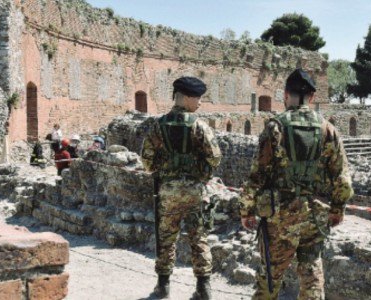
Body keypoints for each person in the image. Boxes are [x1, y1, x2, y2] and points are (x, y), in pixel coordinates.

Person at [240, 69, 354, 299]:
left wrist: (246, 209)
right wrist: (337, 209)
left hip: (279, 216)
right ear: (311, 97)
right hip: (314, 215)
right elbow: (342, 179)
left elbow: (257, 175)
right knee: (312, 276)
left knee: (269, 277)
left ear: (285, 95)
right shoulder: (327, 130)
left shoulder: (275, 127)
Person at [141, 77, 222, 299]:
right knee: (199, 238)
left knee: (166, 238)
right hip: (195, 192)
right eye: (197, 98)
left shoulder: (159, 125)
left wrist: (162, 171)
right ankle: (204, 288)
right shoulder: (199, 126)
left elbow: (146, 158)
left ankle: (163, 287)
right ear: (185, 98)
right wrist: (202, 174)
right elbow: (215, 157)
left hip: (168, 191)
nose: (200, 103)